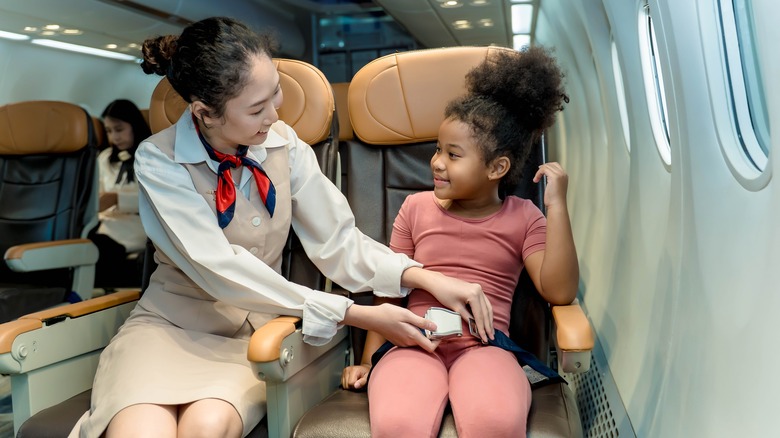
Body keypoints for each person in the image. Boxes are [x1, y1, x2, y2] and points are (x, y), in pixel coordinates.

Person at [71, 17, 494, 438]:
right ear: (205, 114)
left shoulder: (284, 143)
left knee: (207, 426)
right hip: (170, 328)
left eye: (275, 92)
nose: (274, 115)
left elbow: (339, 242)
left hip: (256, 335)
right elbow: (218, 267)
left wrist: (424, 277)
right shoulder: (158, 159)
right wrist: (360, 314)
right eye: (257, 109)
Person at [341, 46, 579, 437]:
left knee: (495, 422)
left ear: (497, 167)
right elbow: (390, 290)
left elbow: (559, 290)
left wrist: (556, 206)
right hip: (413, 341)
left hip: (485, 347)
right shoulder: (415, 208)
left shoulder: (524, 216)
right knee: (399, 422)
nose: (436, 162)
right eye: (438, 149)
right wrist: (369, 360)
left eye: (453, 155)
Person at [89, 99, 151, 288]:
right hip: (105, 225)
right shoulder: (104, 158)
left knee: (100, 247)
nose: (114, 137)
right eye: (109, 131)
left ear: (134, 125)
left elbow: (155, 200)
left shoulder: (151, 155)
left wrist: (117, 199)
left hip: (137, 226)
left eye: (119, 129)